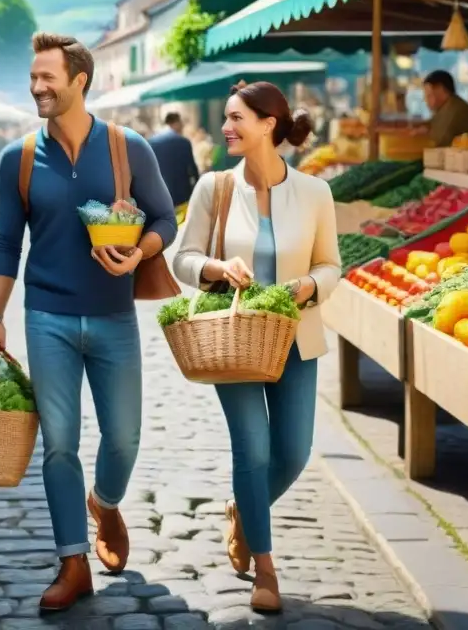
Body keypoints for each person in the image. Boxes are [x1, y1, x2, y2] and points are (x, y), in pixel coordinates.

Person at [0, 33, 177, 613]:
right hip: (47, 316)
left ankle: (106, 502)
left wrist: (140, 252)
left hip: (114, 316)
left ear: (80, 80)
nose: (38, 87)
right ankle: (73, 562)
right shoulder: (16, 157)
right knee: (58, 445)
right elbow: (3, 241)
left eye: (49, 78)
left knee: (123, 437)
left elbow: (164, 217)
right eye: (34, 78)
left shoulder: (127, 147)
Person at [172, 81, 341, 614]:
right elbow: (183, 259)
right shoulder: (214, 187)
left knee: (293, 452)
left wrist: (308, 287)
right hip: (236, 338)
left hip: (296, 338)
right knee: (252, 451)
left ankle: (242, 511)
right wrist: (217, 268)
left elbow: (331, 265)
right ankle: (264, 568)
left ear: (269, 124)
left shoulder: (316, 193)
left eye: (237, 118)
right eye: (225, 117)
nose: (227, 127)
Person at [148, 112, 200, 220]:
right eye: (181, 123)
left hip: (160, 197)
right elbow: (193, 170)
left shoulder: (151, 142)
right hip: (182, 197)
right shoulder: (184, 142)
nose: (182, 126)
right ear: (176, 123)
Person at [422, 70, 468, 147]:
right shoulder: (447, 107)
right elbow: (432, 123)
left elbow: (439, 142)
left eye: (429, 95)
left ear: (440, 90)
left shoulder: (456, 110)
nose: (425, 100)